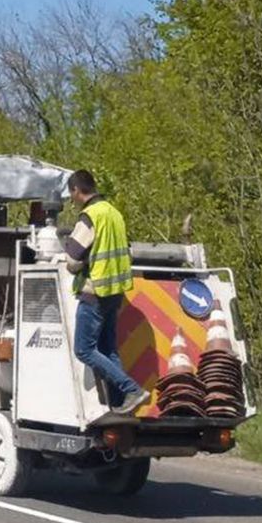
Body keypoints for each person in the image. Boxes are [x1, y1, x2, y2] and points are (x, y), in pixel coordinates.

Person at [63, 170, 149, 415]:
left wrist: (77, 264)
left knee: (84, 349)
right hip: (115, 291)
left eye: (72, 194)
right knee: (109, 349)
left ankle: (131, 389)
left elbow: (72, 256)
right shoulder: (114, 213)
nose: (72, 199)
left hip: (95, 292)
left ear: (76, 191)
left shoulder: (90, 216)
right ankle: (121, 402)